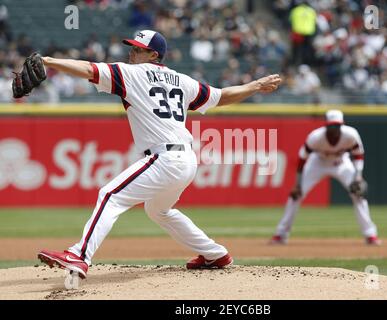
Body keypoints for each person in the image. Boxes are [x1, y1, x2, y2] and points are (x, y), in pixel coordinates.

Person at [36, 30, 282, 279]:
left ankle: (79, 255)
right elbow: (221, 96)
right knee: (158, 210)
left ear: (154, 54)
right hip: (186, 159)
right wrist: (255, 86)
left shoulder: (131, 74)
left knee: (110, 195)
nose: (132, 52)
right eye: (132, 48)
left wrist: (49, 61)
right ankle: (214, 253)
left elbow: (89, 69)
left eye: (137, 49)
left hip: (165, 159)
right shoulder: (182, 80)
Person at [269, 110, 381, 246]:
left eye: (337, 126)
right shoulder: (316, 137)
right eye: (331, 125)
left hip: (341, 163)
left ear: (342, 125)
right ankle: (281, 234)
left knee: (358, 194)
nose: (334, 129)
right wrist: (297, 184)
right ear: (326, 125)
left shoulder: (351, 134)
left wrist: (358, 177)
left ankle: (370, 235)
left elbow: (358, 155)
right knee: (295, 196)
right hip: (317, 163)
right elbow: (302, 159)